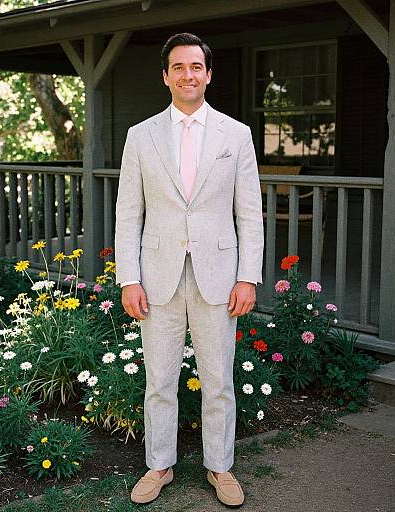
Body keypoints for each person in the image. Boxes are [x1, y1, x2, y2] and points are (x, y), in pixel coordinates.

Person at [115, 32, 263, 507]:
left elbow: (249, 213)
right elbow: (127, 212)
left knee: (218, 378)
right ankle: (159, 465)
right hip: (157, 275)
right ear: (166, 76)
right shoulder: (140, 136)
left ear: (208, 74)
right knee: (159, 379)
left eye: (195, 67)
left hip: (219, 275)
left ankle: (220, 468)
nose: (187, 75)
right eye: (178, 67)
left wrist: (248, 275)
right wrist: (128, 278)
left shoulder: (236, 135)